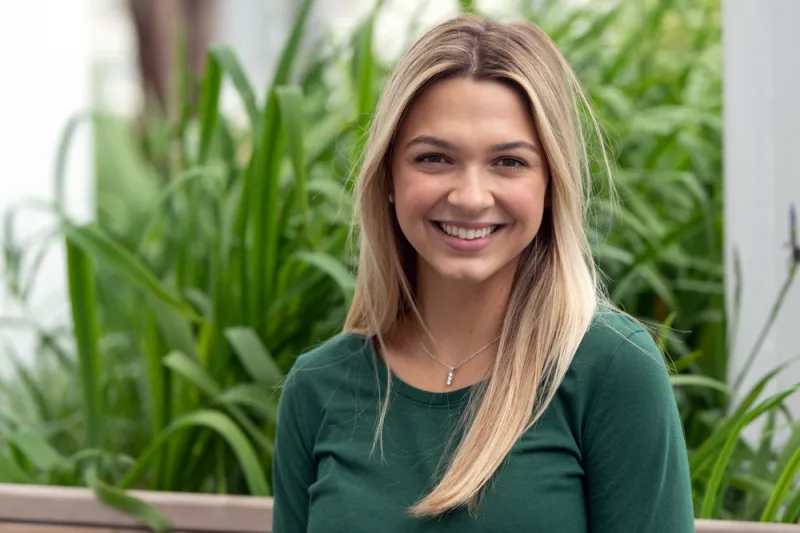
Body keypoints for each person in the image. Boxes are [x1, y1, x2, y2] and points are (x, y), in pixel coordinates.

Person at [271, 14, 695, 533]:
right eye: (434, 158)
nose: (470, 197)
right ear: (388, 177)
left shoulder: (611, 371)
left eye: (509, 163)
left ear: (550, 183)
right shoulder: (319, 387)